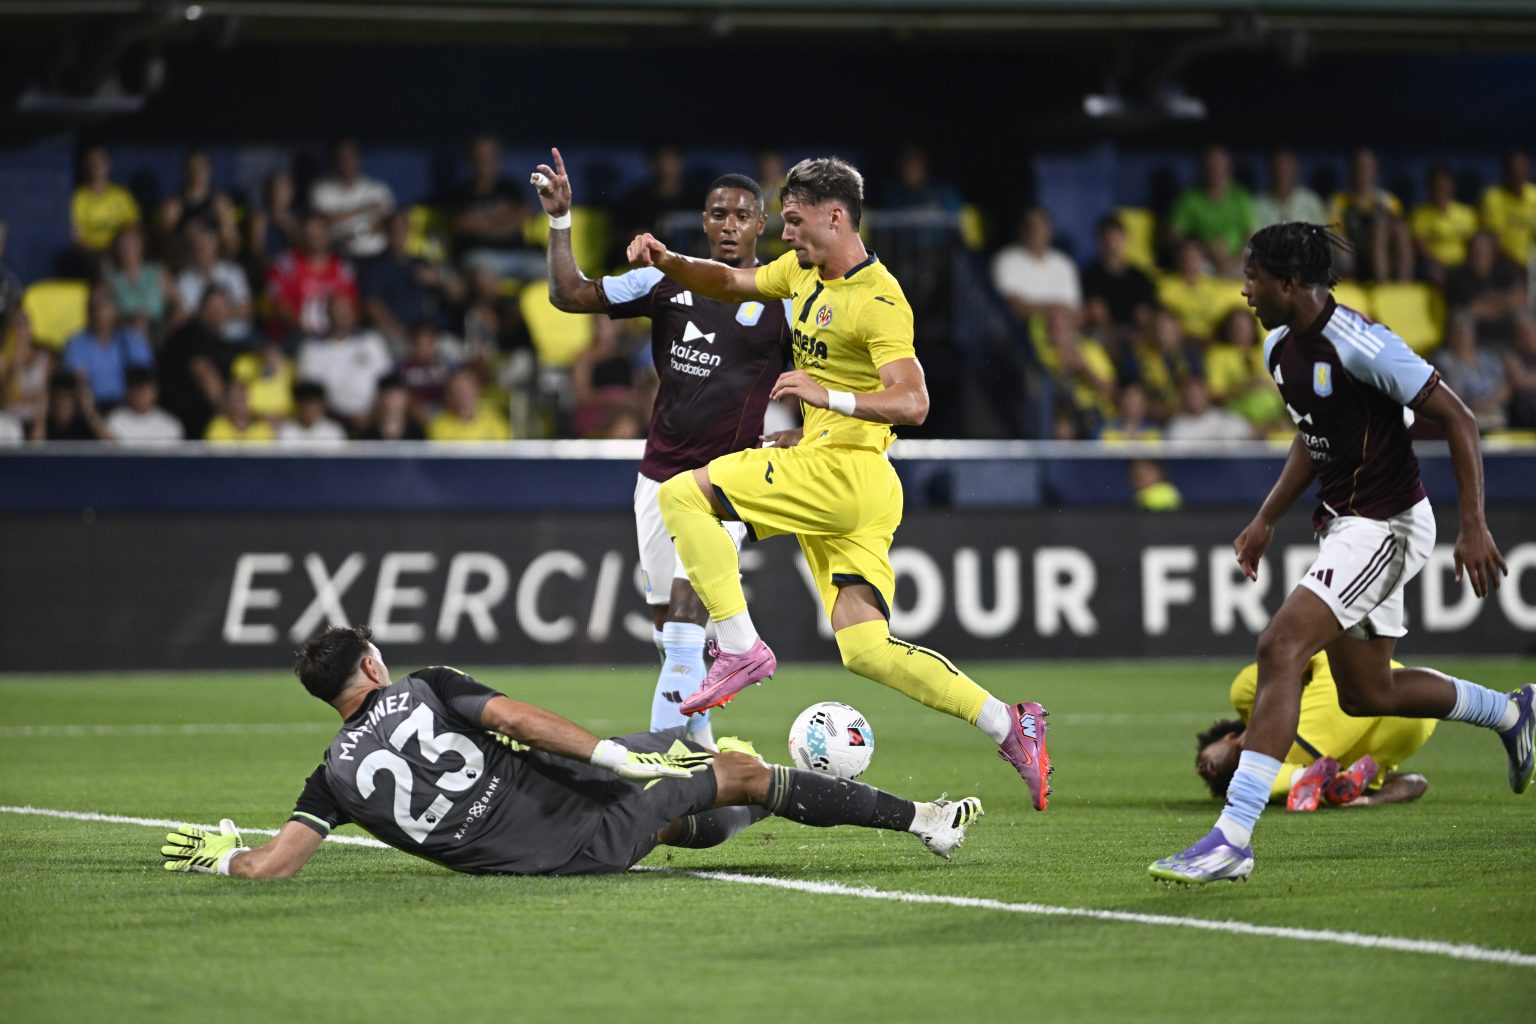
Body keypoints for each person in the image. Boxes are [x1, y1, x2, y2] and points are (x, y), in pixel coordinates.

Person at [625, 156, 1054, 808]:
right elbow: (730, 281)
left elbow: (913, 402)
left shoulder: (879, 299)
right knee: (866, 649)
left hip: (843, 474)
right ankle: (1008, 722)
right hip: (851, 477)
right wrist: (669, 261)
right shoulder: (800, 272)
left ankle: (739, 647)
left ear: (835, 216)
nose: (785, 233)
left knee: (683, 493)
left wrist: (829, 397)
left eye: (795, 221)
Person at [1149, 222, 1530, 886]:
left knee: (1280, 648)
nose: (1244, 291)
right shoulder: (1279, 346)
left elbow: (1460, 419)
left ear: (1291, 282)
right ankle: (1510, 712)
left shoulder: (1364, 344)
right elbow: (1312, 436)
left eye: (1253, 277)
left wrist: (1473, 524)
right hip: (1346, 524)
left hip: (1387, 524)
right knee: (1367, 692)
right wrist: (1266, 518)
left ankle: (1231, 839)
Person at [159, 625, 985, 878]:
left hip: (541, 833)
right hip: (582, 832)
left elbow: (273, 866)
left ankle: (715, 778)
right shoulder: (423, 684)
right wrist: (612, 759)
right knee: (733, 773)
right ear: (372, 666)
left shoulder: (333, 777)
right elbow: (518, 718)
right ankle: (926, 820)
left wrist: (221, 857)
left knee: (680, 764)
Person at [532, 148, 790, 749]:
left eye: (742, 216)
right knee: (670, 630)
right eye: (719, 214)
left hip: (724, 483)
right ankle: (701, 748)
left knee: (684, 620)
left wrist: (805, 431)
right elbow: (569, 294)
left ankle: (663, 760)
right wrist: (561, 219)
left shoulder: (784, 299)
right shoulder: (665, 279)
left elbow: (832, 373)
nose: (729, 225)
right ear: (703, 221)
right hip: (657, 478)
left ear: (761, 225)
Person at [1195, 653, 1433, 814]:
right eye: (1210, 779)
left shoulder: (1250, 702)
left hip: (1352, 684)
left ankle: (1305, 779)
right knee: (1260, 780)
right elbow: (1415, 783)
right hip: (1412, 717)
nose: (1201, 770)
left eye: (1201, 758)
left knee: (1251, 781)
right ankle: (1319, 780)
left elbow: (1292, 656)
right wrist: (1372, 799)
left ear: (1228, 736)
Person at [1166, 144, 1256, 277]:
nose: (1214, 170)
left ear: (1228, 166)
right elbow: (1172, 236)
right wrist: (1202, 249)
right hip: (1204, 262)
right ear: (1202, 167)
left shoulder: (1241, 198)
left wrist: (1231, 262)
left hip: (1237, 263)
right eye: (1210, 165)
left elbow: (1251, 239)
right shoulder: (1189, 199)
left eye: (1218, 164)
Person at [311, 138, 396, 262]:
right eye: (342, 157)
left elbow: (389, 224)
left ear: (359, 158)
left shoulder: (378, 189)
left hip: (378, 256)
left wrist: (357, 232)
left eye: (350, 156)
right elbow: (324, 222)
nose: (346, 162)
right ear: (334, 160)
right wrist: (364, 209)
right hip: (338, 256)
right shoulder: (321, 190)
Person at [104, 365, 183, 444]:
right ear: (127, 391)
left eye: (145, 390)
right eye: (137, 389)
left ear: (155, 391)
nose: (141, 396)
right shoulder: (113, 421)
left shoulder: (170, 425)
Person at [1252, 148, 1328, 231]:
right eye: (1278, 167)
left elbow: (1323, 235)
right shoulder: (1257, 204)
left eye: (1287, 167)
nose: (1282, 173)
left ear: (1296, 169)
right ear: (1269, 170)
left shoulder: (1311, 202)